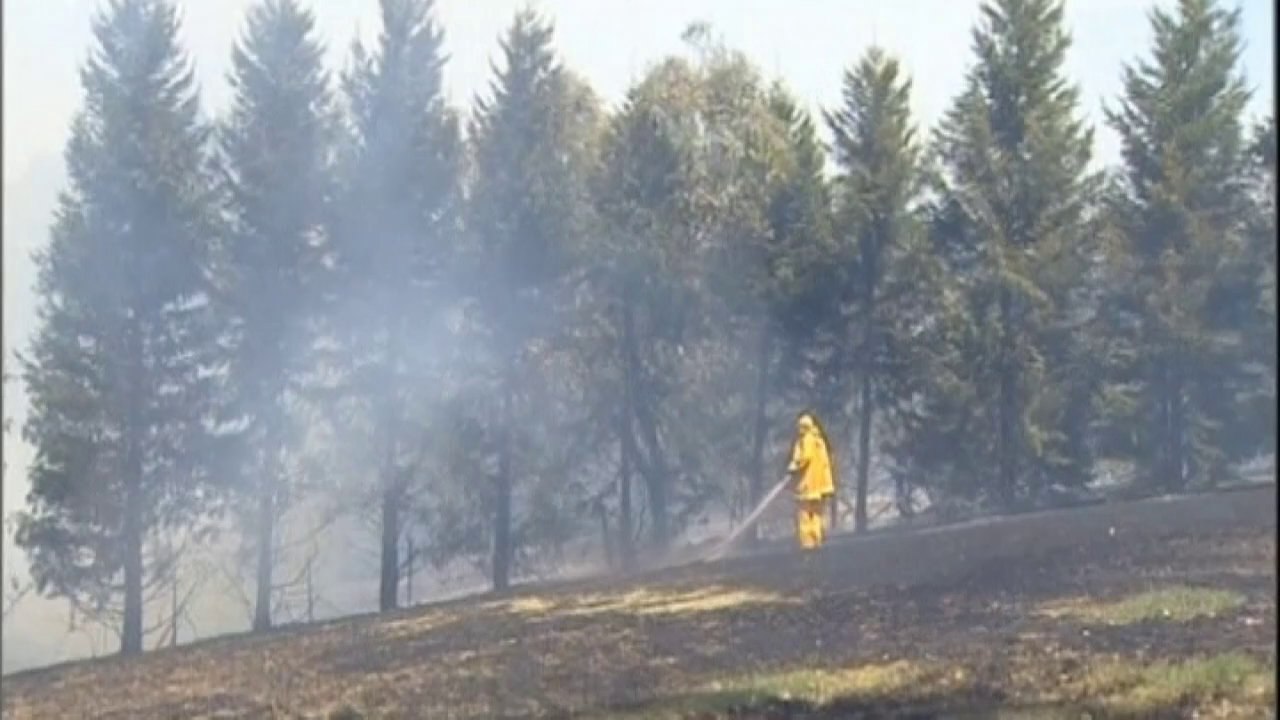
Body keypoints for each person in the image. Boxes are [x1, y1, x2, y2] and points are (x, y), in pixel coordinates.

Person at [786, 410, 836, 550]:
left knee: (804, 516)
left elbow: (805, 457)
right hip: (819, 488)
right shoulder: (818, 440)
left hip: (806, 486)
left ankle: (807, 544)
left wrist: (794, 467)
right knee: (816, 515)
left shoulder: (806, 439)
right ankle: (816, 542)